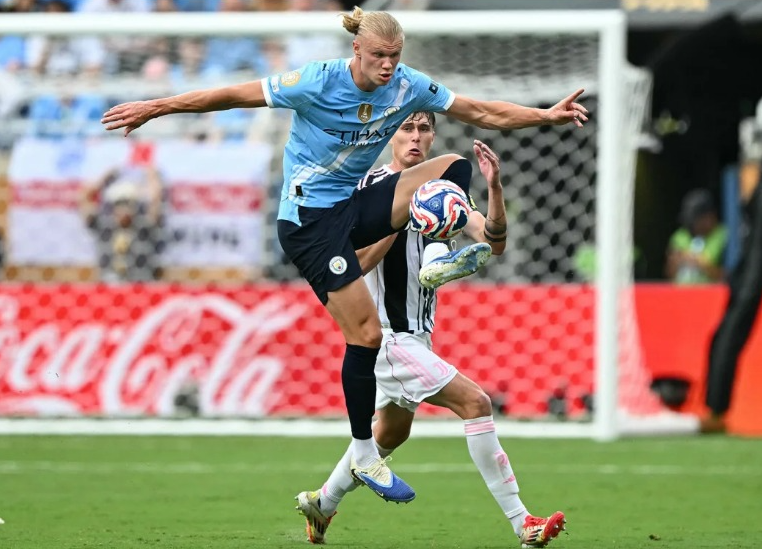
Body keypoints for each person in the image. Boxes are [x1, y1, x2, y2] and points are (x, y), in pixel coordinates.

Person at [102, 7, 588, 503]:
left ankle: (437, 253)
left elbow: (482, 112)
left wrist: (544, 115)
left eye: (394, 56)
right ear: (356, 50)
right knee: (367, 335)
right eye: (379, 55)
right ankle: (362, 451)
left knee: (452, 166)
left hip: (351, 209)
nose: (388, 65)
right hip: (308, 223)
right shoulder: (316, 81)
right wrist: (156, 107)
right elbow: (231, 95)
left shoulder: (407, 85)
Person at [294, 114, 566, 548]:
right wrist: (398, 219)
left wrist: (494, 188)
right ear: (391, 135)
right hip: (384, 335)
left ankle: (322, 504)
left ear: (434, 136)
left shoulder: (443, 191)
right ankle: (523, 522)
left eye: (424, 129)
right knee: (476, 402)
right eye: (407, 129)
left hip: (418, 336)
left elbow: (494, 242)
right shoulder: (368, 189)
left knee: (391, 433)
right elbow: (352, 264)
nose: (416, 138)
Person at [701, 156, 762, 433]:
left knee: (729, 333)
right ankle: (715, 410)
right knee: (726, 335)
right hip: (751, 264)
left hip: (753, 267)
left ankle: (716, 411)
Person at [78, 164, 165, 282]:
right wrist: (106, 177)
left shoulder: (143, 227)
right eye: (119, 204)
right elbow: (85, 198)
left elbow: (156, 200)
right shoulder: (104, 226)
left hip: (139, 285)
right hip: (108, 285)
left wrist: (150, 173)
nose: (124, 209)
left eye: (128, 204)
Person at [665, 188, 727, 284]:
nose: (691, 226)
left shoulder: (723, 235)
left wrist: (701, 264)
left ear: (709, 217)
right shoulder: (680, 236)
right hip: (682, 291)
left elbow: (729, 277)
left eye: (695, 221)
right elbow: (668, 275)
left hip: (710, 291)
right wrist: (675, 263)